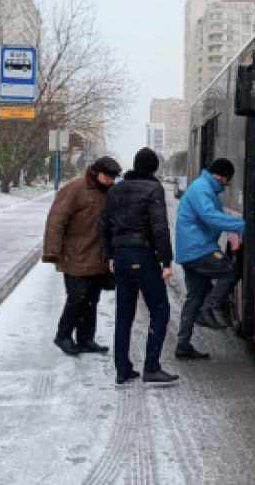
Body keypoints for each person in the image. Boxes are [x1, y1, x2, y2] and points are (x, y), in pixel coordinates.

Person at [99, 148, 179, 386]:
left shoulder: (116, 190)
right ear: (154, 168)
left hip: (121, 256)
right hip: (143, 255)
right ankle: (151, 367)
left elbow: (103, 225)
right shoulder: (154, 189)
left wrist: (110, 255)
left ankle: (122, 368)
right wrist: (166, 261)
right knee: (160, 309)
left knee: (124, 313)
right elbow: (159, 227)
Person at [42, 156, 121, 357]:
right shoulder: (75, 189)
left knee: (92, 299)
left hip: (98, 256)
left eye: (113, 177)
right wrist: (52, 251)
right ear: (96, 172)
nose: (110, 180)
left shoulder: (109, 192)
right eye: (107, 176)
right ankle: (63, 335)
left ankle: (86, 339)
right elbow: (56, 220)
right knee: (77, 297)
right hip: (75, 254)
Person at [174, 158, 246, 361]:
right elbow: (211, 216)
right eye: (228, 180)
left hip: (191, 250)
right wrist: (242, 225)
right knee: (230, 271)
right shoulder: (202, 188)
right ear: (221, 176)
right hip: (199, 249)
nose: (228, 184)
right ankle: (209, 307)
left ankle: (183, 346)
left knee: (194, 298)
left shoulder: (203, 187)